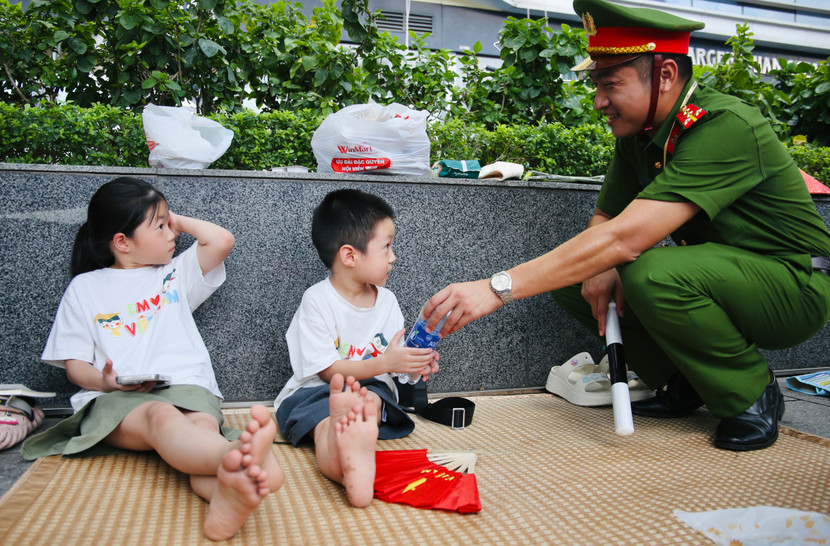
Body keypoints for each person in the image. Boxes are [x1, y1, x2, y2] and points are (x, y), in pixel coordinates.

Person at [421, 0, 830, 451]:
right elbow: (607, 219)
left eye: (611, 84)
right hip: (724, 278)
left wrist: (494, 288)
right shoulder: (641, 133)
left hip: (795, 287)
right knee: (576, 276)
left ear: (666, 75)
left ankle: (751, 393)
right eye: (596, 84)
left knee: (648, 272)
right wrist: (597, 266)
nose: (599, 102)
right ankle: (688, 381)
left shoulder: (723, 126)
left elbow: (626, 238)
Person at [21, 177, 284, 541]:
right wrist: (104, 382)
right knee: (160, 417)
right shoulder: (85, 288)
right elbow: (76, 366)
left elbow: (221, 240)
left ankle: (230, 491)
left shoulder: (173, 275)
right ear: (122, 242)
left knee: (201, 431)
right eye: (158, 226)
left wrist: (168, 216)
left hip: (187, 385)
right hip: (118, 399)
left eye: (168, 223)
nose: (170, 232)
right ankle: (241, 456)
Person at [274, 188, 439, 507]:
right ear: (350, 256)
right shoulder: (318, 300)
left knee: (372, 403)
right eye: (387, 246)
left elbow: (393, 362)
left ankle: (353, 450)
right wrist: (385, 363)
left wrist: (412, 365)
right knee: (325, 423)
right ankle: (341, 454)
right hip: (317, 390)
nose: (393, 256)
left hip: (370, 389)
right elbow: (328, 370)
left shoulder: (387, 301)